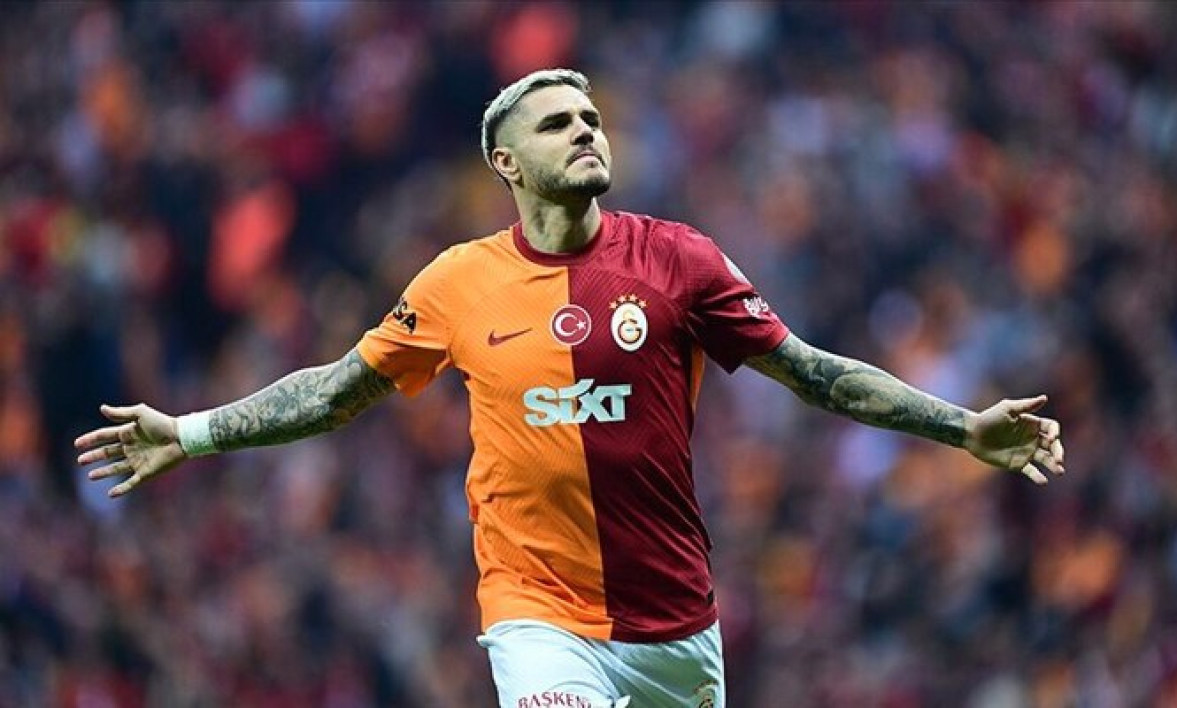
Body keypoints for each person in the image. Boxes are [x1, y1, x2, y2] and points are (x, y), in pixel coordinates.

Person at [75, 68, 1065, 708]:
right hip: (538, 613)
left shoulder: (680, 261)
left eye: (591, 117)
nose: (586, 130)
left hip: (678, 626)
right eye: (557, 123)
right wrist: (192, 432)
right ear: (507, 162)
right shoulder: (457, 283)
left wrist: (962, 428)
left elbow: (815, 374)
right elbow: (335, 392)